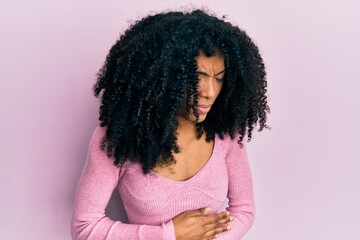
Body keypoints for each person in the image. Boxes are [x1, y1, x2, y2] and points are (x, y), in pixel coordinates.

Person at [71, 9, 270, 240]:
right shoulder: (119, 138)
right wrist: (169, 235)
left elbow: (244, 210)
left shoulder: (227, 135)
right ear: (165, 78)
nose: (210, 92)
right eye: (197, 77)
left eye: (219, 78)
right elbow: (85, 227)